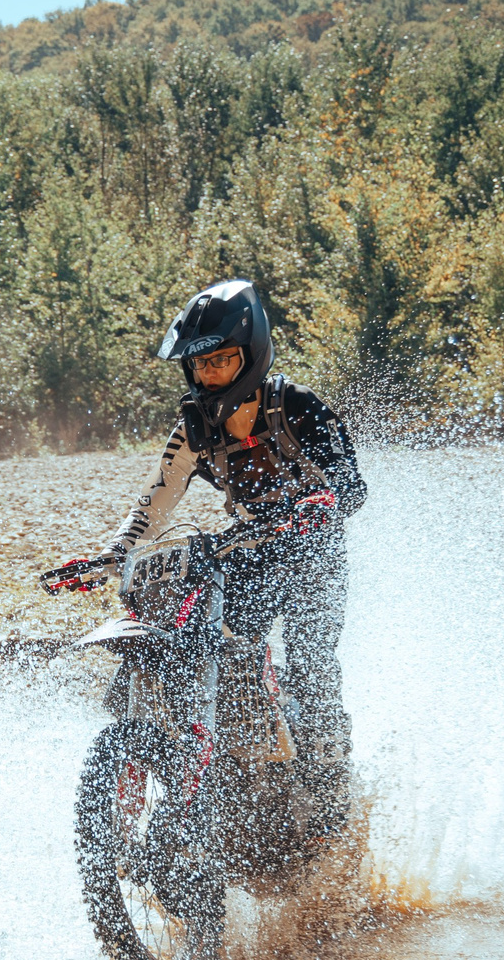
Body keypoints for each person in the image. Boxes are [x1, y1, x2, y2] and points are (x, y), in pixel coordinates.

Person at [43, 278, 365, 789]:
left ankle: (330, 778)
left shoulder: (299, 406)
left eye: (222, 360)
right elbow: (155, 503)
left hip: (313, 549)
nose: (210, 373)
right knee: (202, 636)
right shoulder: (194, 428)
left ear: (251, 354)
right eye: (200, 364)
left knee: (309, 660)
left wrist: (322, 503)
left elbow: (351, 485)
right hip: (248, 547)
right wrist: (108, 558)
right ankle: (225, 757)